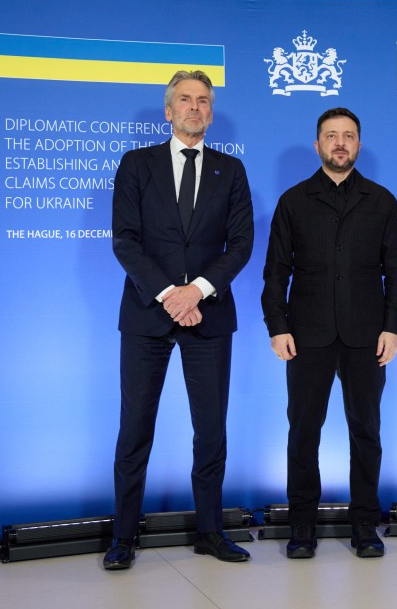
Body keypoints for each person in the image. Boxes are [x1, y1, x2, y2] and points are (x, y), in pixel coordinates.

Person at [104, 70, 254, 570]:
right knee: (135, 430)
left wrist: (198, 291)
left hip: (209, 316)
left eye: (203, 101)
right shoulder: (136, 164)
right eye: (185, 100)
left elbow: (242, 245)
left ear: (211, 112)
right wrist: (171, 294)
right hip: (148, 315)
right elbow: (125, 240)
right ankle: (123, 537)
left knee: (210, 431)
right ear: (168, 111)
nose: (195, 108)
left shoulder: (230, 171)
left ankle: (210, 531)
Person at [261, 107, 397, 559]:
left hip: (368, 336)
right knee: (303, 431)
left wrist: (393, 327)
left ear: (359, 145)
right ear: (318, 144)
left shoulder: (382, 201)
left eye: (348, 136)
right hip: (306, 336)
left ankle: (365, 525)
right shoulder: (294, 201)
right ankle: (301, 526)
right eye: (331, 135)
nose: (340, 142)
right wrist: (277, 327)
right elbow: (275, 274)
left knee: (367, 430)